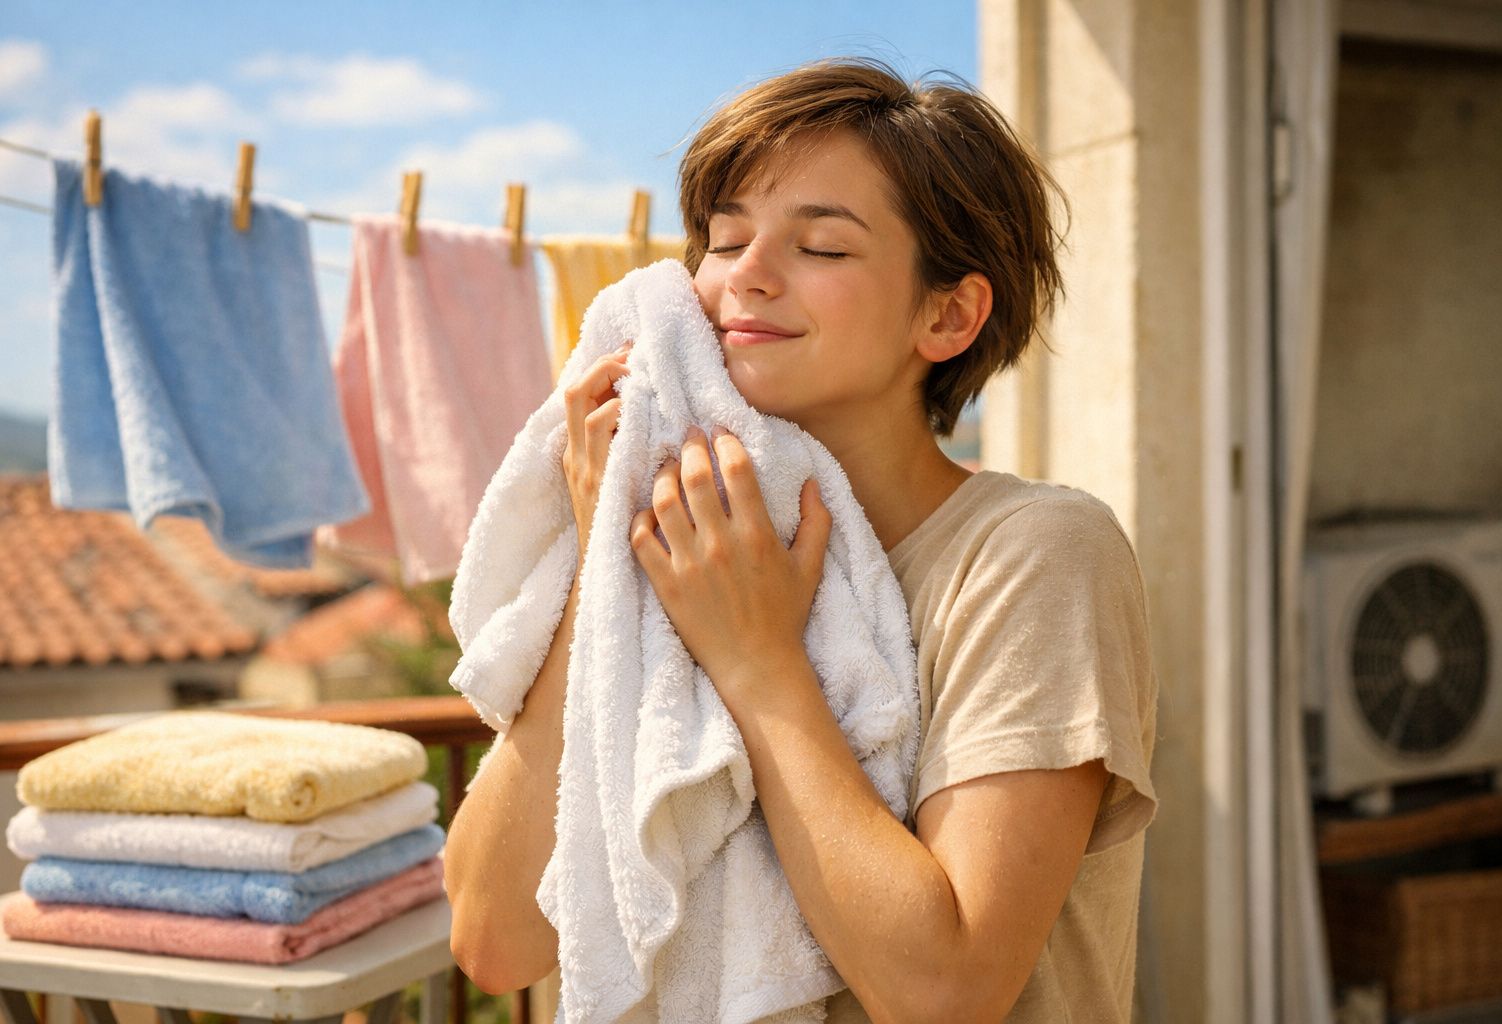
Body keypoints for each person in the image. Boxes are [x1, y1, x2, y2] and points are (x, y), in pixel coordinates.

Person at [444, 56, 1159, 1023]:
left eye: (820, 248)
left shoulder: (1033, 555)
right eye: (726, 238)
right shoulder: (682, 541)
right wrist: (600, 557)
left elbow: (943, 992)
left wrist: (757, 658)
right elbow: (494, 938)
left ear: (948, 314)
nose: (747, 277)